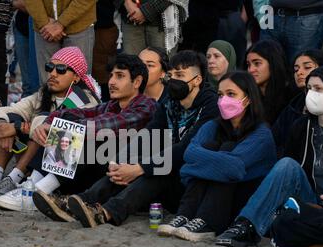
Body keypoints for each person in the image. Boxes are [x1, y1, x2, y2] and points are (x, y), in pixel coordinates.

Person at [33, 50, 219, 227]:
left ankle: (103, 212)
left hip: (188, 178)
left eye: (180, 75)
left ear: (197, 80)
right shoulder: (169, 103)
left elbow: (186, 148)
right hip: (144, 168)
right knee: (132, 158)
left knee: (155, 166)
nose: (174, 81)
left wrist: (138, 168)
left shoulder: (207, 106)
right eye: (172, 75)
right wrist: (122, 164)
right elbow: (147, 137)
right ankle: (80, 201)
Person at [0, 53, 157, 212]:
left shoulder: (146, 106)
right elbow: (77, 113)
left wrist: (62, 127)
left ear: (137, 82)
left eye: (120, 76)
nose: (112, 82)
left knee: (89, 135)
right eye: (112, 76)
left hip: (121, 180)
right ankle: (32, 185)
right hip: (91, 172)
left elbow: (106, 125)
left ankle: (38, 192)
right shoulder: (112, 105)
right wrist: (51, 122)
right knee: (62, 125)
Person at [216, 65, 323, 247]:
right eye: (309, 89)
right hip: (310, 201)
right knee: (287, 165)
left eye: (319, 89)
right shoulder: (301, 127)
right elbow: (290, 177)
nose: (312, 94)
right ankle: (246, 226)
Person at [157, 71, 276, 241]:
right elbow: (189, 153)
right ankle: (186, 215)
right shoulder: (213, 125)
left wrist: (194, 167)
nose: (223, 100)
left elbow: (234, 168)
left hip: (245, 198)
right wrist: (202, 163)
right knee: (211, 147)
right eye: (220, 95)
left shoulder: (261, 133)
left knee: (225, 151)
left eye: (231, 94)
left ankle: (208, 223)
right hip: (212, 195)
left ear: (248, 99)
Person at [0, 46, 100, 201]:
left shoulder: (85, 102)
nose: (53, 73)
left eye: (61, 69)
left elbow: (55, 128)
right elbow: (7, 110)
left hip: (64, 171)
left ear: (76, 78)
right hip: (39, 159)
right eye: (50, 67)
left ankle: (15, 179)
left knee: (42, 123)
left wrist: (17, 128)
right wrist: (2, 125)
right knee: (9, 119)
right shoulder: (43, 95)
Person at [272, 49, 323, 156]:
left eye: (307, 67)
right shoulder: (293, 106)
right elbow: (276, 140)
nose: (299, 72)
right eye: (296, 69)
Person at [25, 0, 96, 85]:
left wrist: (60, 23)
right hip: (45, 27)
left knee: (79, 82)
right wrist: (43, 22)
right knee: (48, 83)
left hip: (79, 25)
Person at [254, 0, 323, 63]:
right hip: (270, 14)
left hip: (308, 15)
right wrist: (261, 14)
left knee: (301, 70)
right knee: (267, 68)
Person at [246, 40, 296, 125]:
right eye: (248, 64)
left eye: (257, 63)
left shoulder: (291, 96)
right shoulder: (246, 95)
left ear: (273, 63)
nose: (250, 70)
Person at [114, 0, 188, 55]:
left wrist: (145, 11)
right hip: (130, 17)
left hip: (163, 20)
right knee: (132, 67)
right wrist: (126, 2)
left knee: (163, 67)